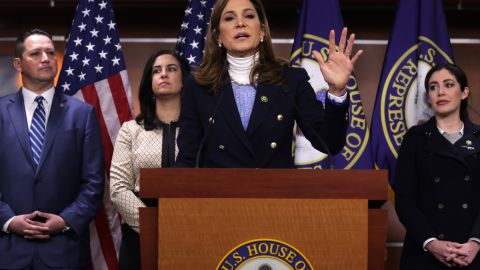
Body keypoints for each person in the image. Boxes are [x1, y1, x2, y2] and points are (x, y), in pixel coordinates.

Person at [175, 0, 362, 168]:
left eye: (249, 16)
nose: (240, 23)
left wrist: (337, 91)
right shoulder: (197, 85)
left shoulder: (290, 80)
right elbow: (188, 158)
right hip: (216, 201)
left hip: (275, 200)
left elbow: (329, 142)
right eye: (229, 18)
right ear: (217, 37)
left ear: (262, 31)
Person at [0, 29, 104, 269]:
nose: (45, 58)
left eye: (49, 52)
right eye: (35, 53)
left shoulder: (83, 114)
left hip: (64, 251)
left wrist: (65, 220)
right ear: (18, 63)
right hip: (8, 252)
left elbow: (93, 183)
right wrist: (9, 220)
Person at [110, 50, 190, 270]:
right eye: (157, 71)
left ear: (184, 80)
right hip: (138, 235)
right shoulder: (131, 130)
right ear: (150, 82)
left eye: (171, 69)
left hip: (190, 231)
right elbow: (118, 188)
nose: (163, 74)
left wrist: (180, 226)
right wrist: (153, 226)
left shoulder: (198, 131)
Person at [395, 63, 480, 269]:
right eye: (433, 87)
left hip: (474, 253)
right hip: (424, 254)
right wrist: (431, 242)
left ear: (464, 92)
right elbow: (405, 200)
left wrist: (475, 242)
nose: (440, 92)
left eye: (448, 85)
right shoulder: (414, 139)